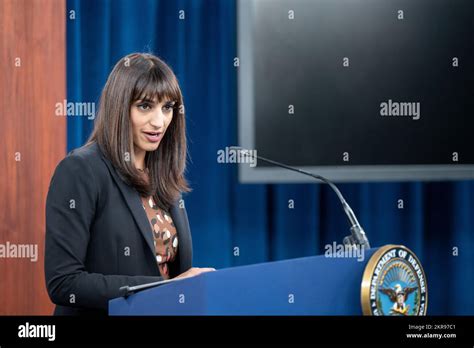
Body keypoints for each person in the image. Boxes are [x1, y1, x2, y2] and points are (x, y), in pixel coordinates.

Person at [45, 52, 215, 316]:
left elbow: (172, 271)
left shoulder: (162, 174)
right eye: (145, 106)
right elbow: (63, 283)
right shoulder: (81, 170)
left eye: (167, 107)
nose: (159, 122)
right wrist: (164, 289)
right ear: (119, 107)